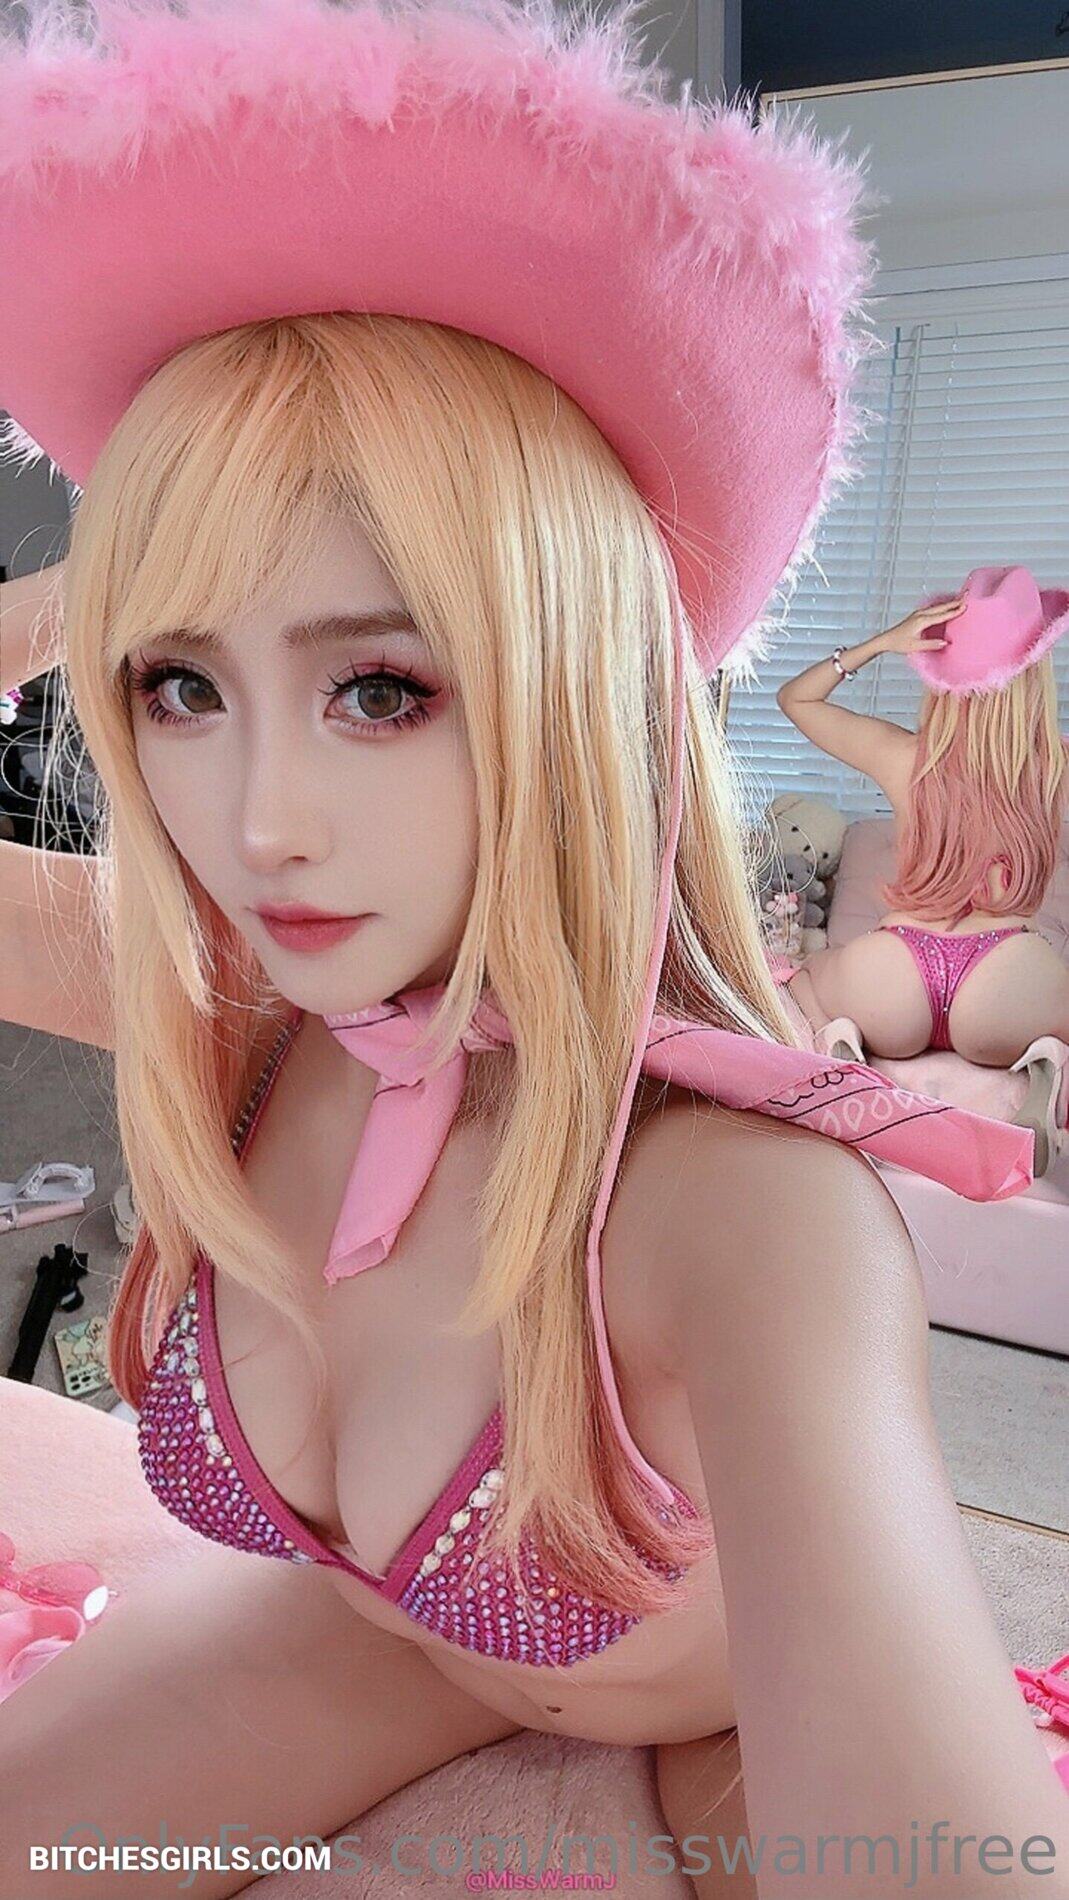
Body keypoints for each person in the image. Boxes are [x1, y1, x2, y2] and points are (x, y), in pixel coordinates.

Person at [0, 5, 1066, 1898]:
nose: (259, 824)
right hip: (367, 1639)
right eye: (181, 686)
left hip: (702, 1734)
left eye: (379, 688)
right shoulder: (238, 1016)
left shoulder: (741, 1210)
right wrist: (91, 584)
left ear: (577, 685)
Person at [776, 573, 1069, 1103]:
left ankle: (838, 1046)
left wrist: (881, 643)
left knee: (799, 977)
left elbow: (797, 699)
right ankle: (1049, 1069)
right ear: (1035, 675)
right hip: (1009, 978)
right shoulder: (1055, 767)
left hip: (894, 969)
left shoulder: (905, 757)